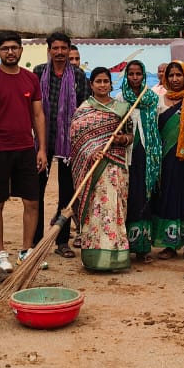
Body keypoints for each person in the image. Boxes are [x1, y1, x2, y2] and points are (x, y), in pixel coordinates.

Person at [0, 31, 47, 270]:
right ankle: (0, 253)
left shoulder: (30, 79)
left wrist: (42, 148)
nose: (10, 52)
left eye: (14, 47)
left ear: (21, 50)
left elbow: (38, 114)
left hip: (26, 148)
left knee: (32, 202)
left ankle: (26, 251)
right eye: (5, 48)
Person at [70, 67, 135, 271]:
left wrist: (121, 139)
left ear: (111, 83)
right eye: (98, 81)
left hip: (115, 167)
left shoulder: (123, 109)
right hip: (94, 169)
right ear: (91, 84)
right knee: (95, 213)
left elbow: (130, 135)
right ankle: (93, 259)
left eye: (106, 81)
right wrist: (91, 152)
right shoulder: (83, 110)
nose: (102, 85)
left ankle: (116, 259)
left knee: (115, 210)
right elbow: (76, 140)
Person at [31, 32, 88, 259]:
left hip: (69, 143)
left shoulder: (79, 76)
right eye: (55, 48)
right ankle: (35, 240)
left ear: (69, 49)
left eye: (64, 48)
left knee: (67, 193)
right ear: (49, 50)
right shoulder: (37, 73)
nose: (60, 52)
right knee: (37, 191)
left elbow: (83, 108)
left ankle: (62, 241)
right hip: (42, 141)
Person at [151, 61, 184, 260]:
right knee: (168, 196)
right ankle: (169, 244)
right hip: (166, 158)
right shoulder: (159, 100)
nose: (174, 79)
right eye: (171, 75)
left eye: (178, 75)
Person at [121, 60, 162, 263]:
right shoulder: (121, 99)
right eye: (131, 74)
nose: (135, 78)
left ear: (143, 75)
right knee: (129, 197)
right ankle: (126, 245)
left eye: (138, 74)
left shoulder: (153, 98)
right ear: (126, 76)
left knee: (145, 197)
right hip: (127, 156)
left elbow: (158, 125)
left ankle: (143, 247)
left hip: (149, 156)